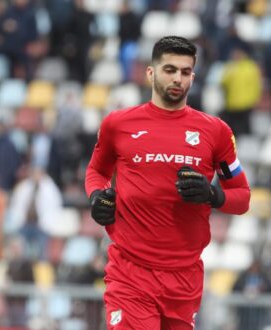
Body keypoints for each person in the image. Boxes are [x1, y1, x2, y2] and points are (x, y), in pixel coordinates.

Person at [85, 36, 250, 329]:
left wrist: (214, 195)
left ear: (193, 76)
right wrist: (97, 197)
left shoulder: (217, 132)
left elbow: (242, 196)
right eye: (170, 70)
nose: (178, 79)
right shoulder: (117, 124)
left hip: (184, 278)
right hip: (130, 272)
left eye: (185, 72)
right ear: (151, 73)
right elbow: (96, 171)